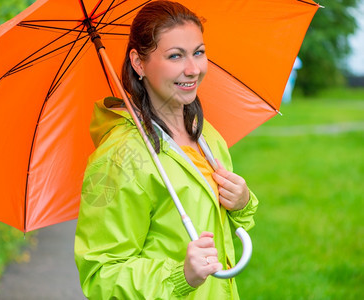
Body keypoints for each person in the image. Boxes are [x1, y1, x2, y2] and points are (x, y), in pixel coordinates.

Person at [74, 1, 258, 299]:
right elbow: (101, 273)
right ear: (138, 62)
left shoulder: (205, 133)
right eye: (175, 56)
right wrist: (180, 276)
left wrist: (242, 203)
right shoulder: (118, 158)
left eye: (198, 52)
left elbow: (215, 222)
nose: (193, 69)